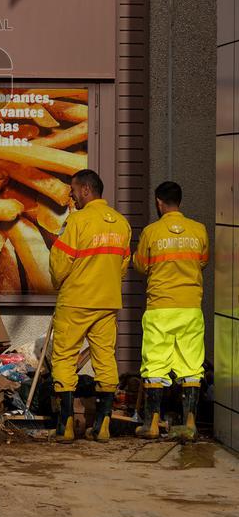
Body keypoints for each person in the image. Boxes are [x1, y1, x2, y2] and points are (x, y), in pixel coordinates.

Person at [49, 168, 132, 443]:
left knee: (64, 357)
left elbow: (60, 263)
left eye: (73, 191)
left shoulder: (77, 221)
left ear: (85, 190)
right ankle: (103, 425)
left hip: (76, 301)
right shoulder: (122, 224)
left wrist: (58, 282)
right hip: (107, 303)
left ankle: (66, 427)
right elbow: (122, 266)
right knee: (105, 359)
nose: (71, 197)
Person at [132, 181, 209, 441]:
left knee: (155, 365)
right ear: (180, 201)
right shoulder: (199, 230)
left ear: (158, 202)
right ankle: (189, 424)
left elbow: (141, 266)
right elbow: (203, 261)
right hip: (190, 307)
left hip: (160, 308)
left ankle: (151, 424)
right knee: (191, 366)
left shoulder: (152, 232)